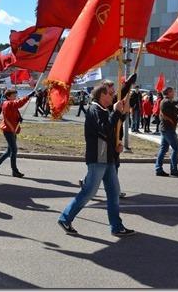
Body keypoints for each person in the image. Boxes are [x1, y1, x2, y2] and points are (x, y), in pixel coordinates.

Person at [57, 83, 134, 236]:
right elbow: (105, 130)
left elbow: (110, 133)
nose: (113, 96)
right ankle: (65, 218)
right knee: (89, 192)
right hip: (98, 158)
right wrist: (117, 112)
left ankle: (116, 227)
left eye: (113, 93)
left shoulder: (104, 109)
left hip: (108, 157)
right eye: (110, 93)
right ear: (102, 95)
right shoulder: (94, 110)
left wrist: (116, 146)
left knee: (113, 193)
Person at [0, 88, 32, 177]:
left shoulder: (10, 103)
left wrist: (19, 118)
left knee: (10, 151)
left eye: (15, 95)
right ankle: (14, 171)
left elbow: (14, 112)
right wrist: (28, 96)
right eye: (14, 95)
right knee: (14, 150)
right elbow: (18, 104)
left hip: (12, 129)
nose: (15, 96)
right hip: (8, 129)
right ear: (8, 96)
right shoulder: (7, 103)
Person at [155, 84, 178, 177]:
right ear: (168, 93)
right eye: (172, 91)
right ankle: (174, 170)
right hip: (168, 129)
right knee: (176, 148)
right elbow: (177, 100)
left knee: (163, 149)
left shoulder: (169, 103)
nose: (174, 93)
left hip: (167, 128)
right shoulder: (166, 102)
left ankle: (158, 169)